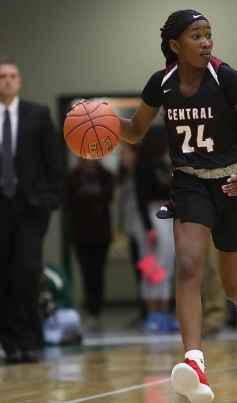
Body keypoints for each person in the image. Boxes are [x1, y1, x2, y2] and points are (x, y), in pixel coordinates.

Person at [108, 10, 237, 403]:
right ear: (175, 45)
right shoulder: (161, 83)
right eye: (196, 36)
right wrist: (101, 119)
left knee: (233, 286)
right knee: (188, 266)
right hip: (190, 182)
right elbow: (135, 130)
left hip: (232, 183)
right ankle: (195, 363)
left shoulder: (225, 77)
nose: (206, 42)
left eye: (208, 34)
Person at [0, 57, 62, 364]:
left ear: (19, 81)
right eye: (2, 76)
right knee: (0, 275)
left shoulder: (39, 114)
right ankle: (11, 344)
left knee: (26, 269)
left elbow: (53, 161)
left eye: (12, 75)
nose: (8, 80)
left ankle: (30, 340)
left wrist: (50, 199)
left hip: (31, 207)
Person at [134, 126, 178, 333]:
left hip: (168, 214)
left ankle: (164, 312)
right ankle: (152, 314)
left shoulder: (166, 165)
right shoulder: (143, 165)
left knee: (167, 265)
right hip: (152, 215)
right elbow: (141, 199)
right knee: (152, 267)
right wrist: (148, 228)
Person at [65, 158, 113, 332]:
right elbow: (70, 202)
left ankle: (96, 311)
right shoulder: (73, 177)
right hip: (81, 234)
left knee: (98, 273)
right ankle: (91, 310)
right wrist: (93, 205)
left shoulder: (106, 175)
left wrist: (86, 201)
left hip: (101, 234)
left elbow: (106, 198)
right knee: (86, 272)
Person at [117, 142, 149, 329]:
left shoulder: (141, 172)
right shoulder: (126, 175)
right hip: (132, 230)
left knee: (148, 271)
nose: (121, 156)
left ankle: (152, 312)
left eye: (125, 152)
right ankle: (145, 311)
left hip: (143, 231)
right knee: (139, 271)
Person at [40, 261, 83, 346]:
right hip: (34, 321)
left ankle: (51, 336)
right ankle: (59, 338)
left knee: (73, 317)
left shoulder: (54, 272)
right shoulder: (23, 278)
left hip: (51, 318)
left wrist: (53, 306)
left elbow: (67, 299)